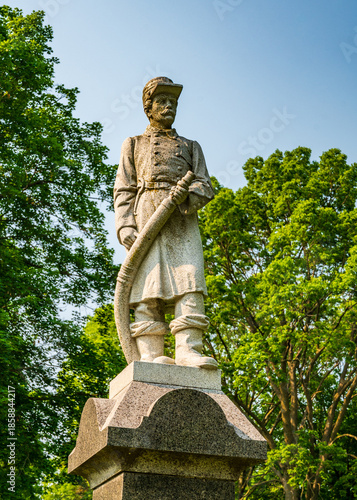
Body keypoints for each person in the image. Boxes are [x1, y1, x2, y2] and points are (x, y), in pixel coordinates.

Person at [114, 76, 217, 369]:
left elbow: (205, 184)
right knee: (147, 288)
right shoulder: (133, 144)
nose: (169, 106)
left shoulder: (191, 146)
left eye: (173, 102)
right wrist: (125, 225)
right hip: (146, 217)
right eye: (162, 101)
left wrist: (187, 196)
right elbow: (124, 188)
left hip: (181, 220)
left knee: (190, 283)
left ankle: (188, 350)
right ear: (149, 108)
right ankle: (150, 354)